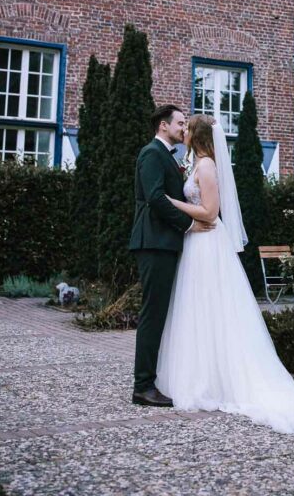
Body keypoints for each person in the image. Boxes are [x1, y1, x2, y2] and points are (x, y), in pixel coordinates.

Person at [155, 114, 294, 434]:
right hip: (196, 244)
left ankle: (216, 381)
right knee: (197, 310)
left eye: (188, 129)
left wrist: (175, 203)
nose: (183, 131)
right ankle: (201, 376)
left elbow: (211, 213)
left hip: (207, 243)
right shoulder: (197, 164)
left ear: (198, 136)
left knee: (212, 308)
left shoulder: (206, 167)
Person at [129, 105, 214, 407]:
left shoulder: (169, 156)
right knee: (153, 313)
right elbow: (154, 198)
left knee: (160, 312)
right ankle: (143, 386)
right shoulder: (152, 153)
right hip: (154, 242)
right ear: (163, 126)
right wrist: (190, 224)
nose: (183, 128)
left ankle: (152, 379)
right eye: (179, 123)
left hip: (164, 242)